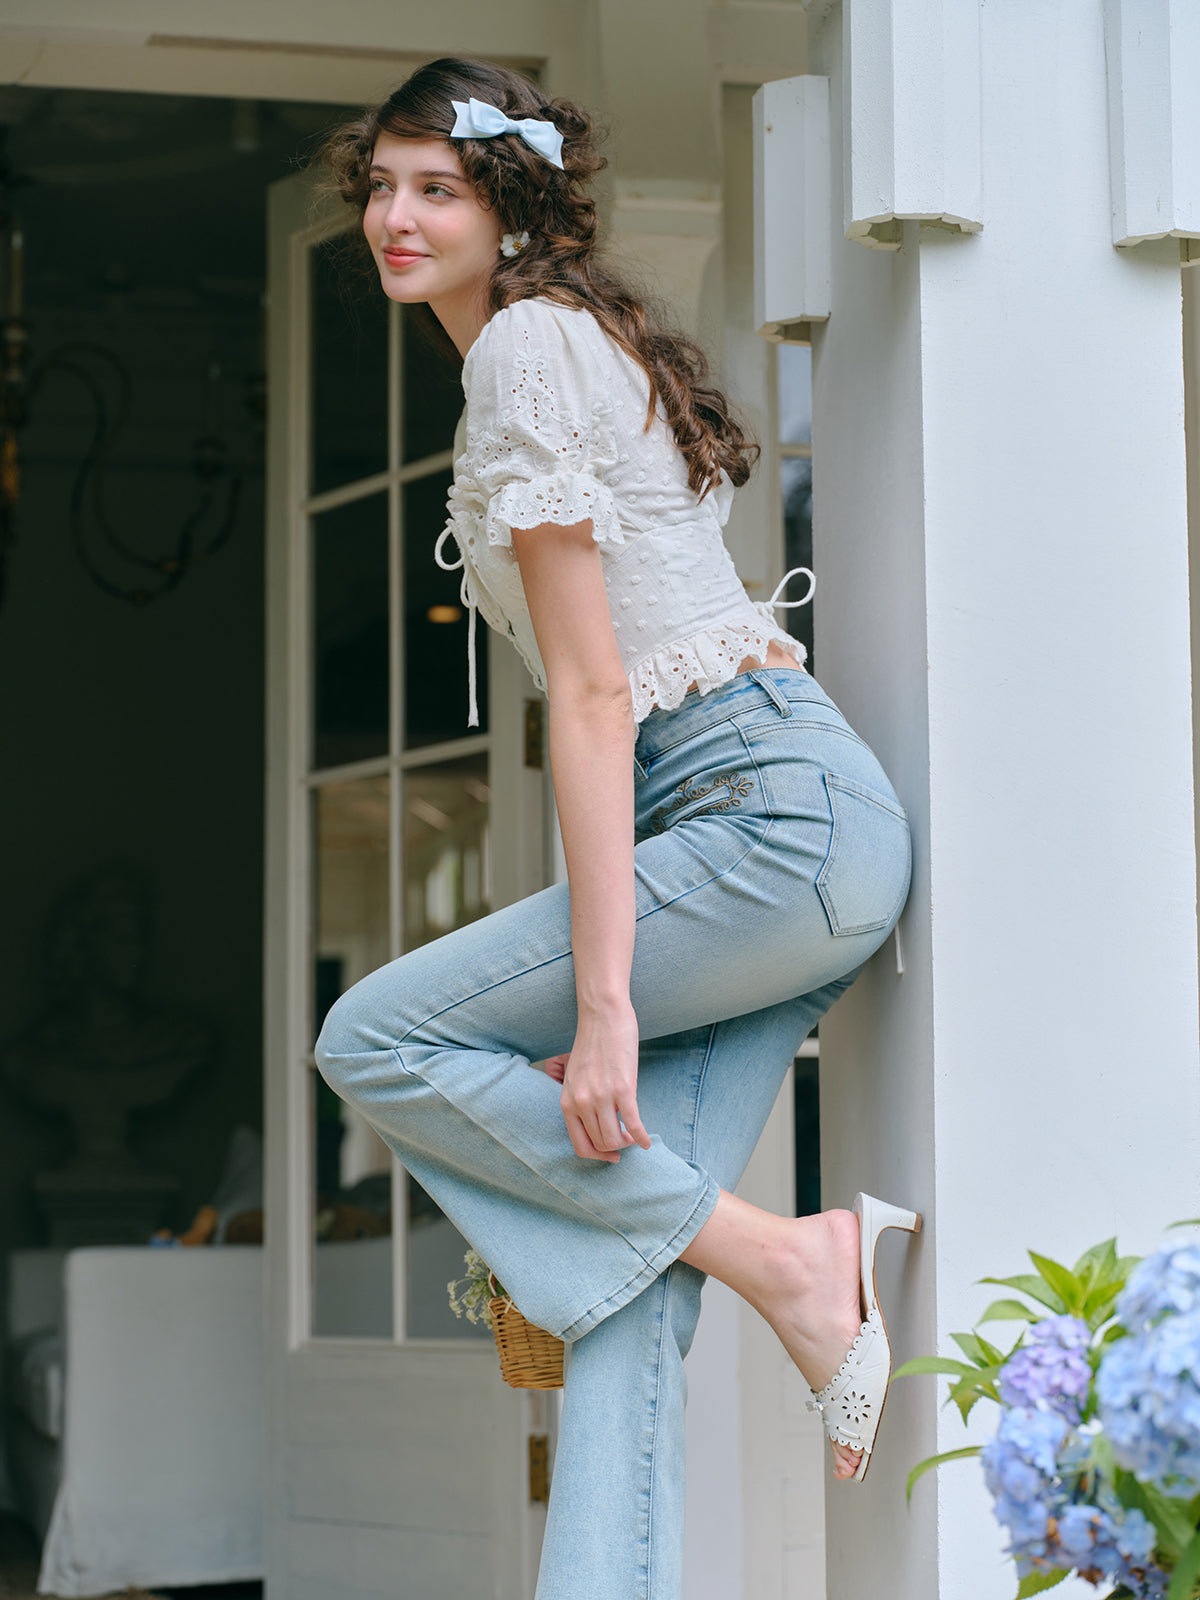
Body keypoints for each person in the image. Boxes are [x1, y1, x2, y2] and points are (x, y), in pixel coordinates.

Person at [315, 57, 920, 1600]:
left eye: (433, 187)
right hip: (777, 837)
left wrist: (602, 1005)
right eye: (380, 186)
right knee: (635, 1291)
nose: (395, 214)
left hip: (762, 823)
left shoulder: (526, 346)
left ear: (506, 200)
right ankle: (765, 1272)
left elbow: (591, 697)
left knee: (378, 1039)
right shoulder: (544, 350)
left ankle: (797, 1259)